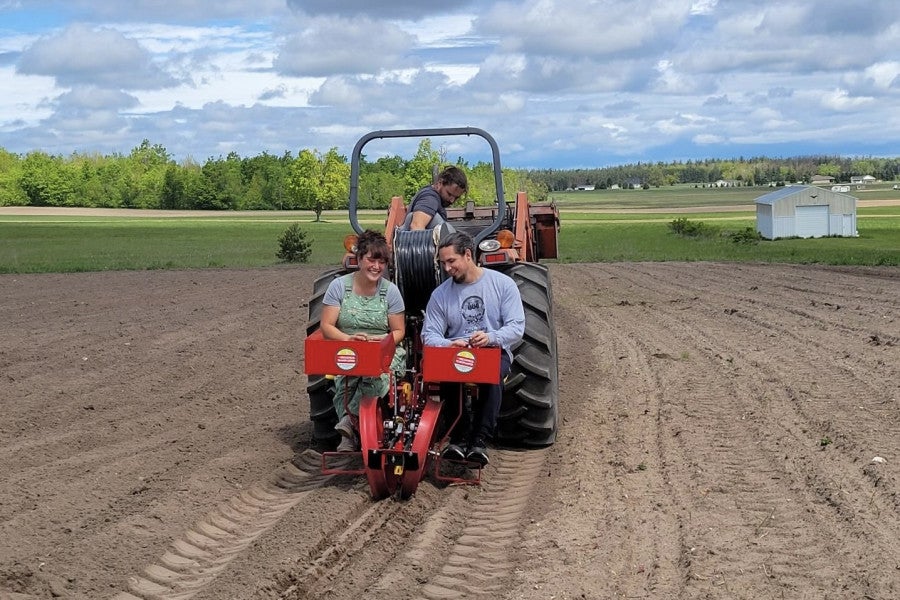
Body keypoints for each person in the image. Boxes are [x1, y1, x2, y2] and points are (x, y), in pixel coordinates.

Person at [421, 231, 525, 465]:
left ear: (468, 255)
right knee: (446, 374)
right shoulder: (440, 295)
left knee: (491, 376)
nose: (447, 268)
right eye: (443, 263)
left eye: (451, 261)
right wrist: (449, 343)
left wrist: (490, 337)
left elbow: (516, 327)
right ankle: (457, 439)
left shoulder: (502, 285)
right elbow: (429, 335)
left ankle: (479, 440)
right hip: (456, 352)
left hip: (492, 350)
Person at [320, 230, 406, 451]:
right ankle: (353, 434)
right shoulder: (339, 287)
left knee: (374, 375)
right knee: (345, 383)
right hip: (348, 345)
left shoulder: (391, 291)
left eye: (382, 261)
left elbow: (399, 331)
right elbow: (327, 326)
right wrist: (348, 339)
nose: (376, 266)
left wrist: (381, 341)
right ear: (359, 259)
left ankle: (350, 423)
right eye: (371, 260)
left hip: (383, 348)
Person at [403, 165, 468, 230]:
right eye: (449, 194)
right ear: (440, 183)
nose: (452, 200)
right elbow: (416, 226)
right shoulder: (430, 199)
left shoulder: (435, 199)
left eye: (456, 197)